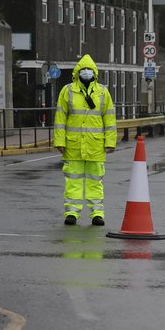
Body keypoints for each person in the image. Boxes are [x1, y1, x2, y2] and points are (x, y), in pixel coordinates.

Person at [54, 54, 116, 226]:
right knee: (72, 181)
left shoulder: (102, 92)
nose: (86, 73)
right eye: (83, 70)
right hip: (73, 146)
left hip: (95, 146)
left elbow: (109, 119)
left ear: (95, 73)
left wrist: (110, 142)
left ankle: (97, 213)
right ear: (77, 73)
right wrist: (60, 141)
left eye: (89, 70)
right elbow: (60, 118)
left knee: (95, 182)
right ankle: (72, 213)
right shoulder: (68, 91)